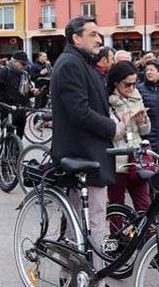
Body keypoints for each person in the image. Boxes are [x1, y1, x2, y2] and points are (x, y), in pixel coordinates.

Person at [50, 16, 119, 275]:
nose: (99, 39)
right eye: (92, 34)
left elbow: (88, 105)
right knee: (95, 223)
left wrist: (108, 117)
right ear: (76, 38)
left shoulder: (81, 62)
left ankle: (71, 275)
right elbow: (79, 112)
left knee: (78, 223)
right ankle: (93, 279)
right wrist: (111, 126)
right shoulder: (70, 64)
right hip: (83, 153)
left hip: (87, 152)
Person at [107, 61, 151, 214]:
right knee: (116, 205)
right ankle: (116, 236)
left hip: (137, 156)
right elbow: (112, 133)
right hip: (117, 157)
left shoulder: (136, 95)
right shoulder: (107, 101)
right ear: (116, 82)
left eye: (134, 83)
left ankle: (147, 236)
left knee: (144, 204)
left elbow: (145, 131)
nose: (131, 88)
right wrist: (124, 124)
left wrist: (142, 121)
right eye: (127, 84)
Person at [0, 51, 37, 138]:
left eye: (26, 64)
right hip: (8, 109)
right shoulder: (6, 71)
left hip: (21, 109)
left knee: (19, 138)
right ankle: (5, 150)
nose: (25, 66)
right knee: (7, 137)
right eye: (23, 64)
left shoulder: (24, 74)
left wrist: (33, 93)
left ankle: (17, 151)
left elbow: (25, 93)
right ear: (15, 61)